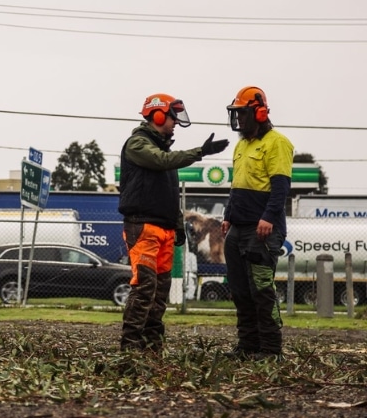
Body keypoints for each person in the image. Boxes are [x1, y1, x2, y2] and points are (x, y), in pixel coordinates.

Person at [118, 93, 229, 352]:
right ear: (157, 115)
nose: (176, 122)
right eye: (172, 117)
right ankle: (130, 347)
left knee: (159, 293)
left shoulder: (162, 150)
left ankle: (152, 346)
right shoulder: (138, 144)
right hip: (143, 226)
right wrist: (201, 152)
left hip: (164, 229)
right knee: (145, 287)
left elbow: (169, 195)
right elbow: (161, 161)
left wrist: (178, 225)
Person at [222, 86, 293, 361]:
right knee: (240, 291)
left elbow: (280, 187)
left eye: (242, 113)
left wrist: (268, 217)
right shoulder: (241, 145)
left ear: (259, 113)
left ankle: (271, 349)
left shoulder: (278, 143)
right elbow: (236, 186)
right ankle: (247, 346)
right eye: (236, 113)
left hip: (262, 229)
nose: (238, 119)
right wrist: (228, 215)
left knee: (261, 290)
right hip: (238, 228)